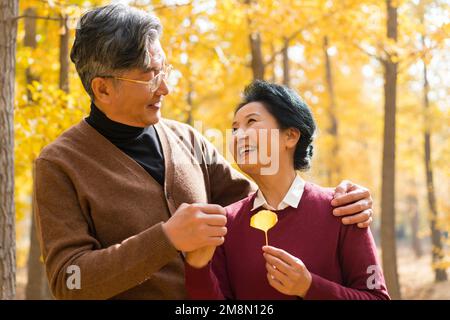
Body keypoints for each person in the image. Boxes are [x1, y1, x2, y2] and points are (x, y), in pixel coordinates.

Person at [34, 4, 375, 299]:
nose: (165, 86)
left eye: (163, 69)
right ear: (103, 88)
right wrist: (166, 238)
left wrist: (339, 202)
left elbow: (260, 204)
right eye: (149, 75)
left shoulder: (188, 139)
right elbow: (69, 280)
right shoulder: (59, 164)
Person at [185, 81, 389, 300]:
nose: (237, 135)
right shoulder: (226, 225)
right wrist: (197, 267)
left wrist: (309, 287)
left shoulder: (343, 209)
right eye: (234, 129)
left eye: (251, 121)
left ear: (290, 136)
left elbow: (376, 297)